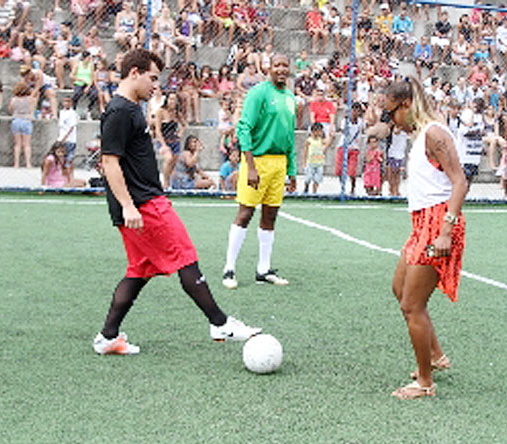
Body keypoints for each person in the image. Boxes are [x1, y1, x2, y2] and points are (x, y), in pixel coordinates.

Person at [93, 49, 261, 355]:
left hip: (141, 202)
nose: (156, 86)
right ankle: (220, 323)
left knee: (138, 271)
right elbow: (109, 163)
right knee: (184, 256)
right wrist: (129, 206)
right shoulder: (119, 111)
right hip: (143, 205)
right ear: (134, 73)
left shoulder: (130, 108)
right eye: (152, 78)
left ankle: (108, 337)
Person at [383, 77, 467, 400]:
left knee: (412, 304)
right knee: (399, 288)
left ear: (406, 106)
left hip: (438, 223)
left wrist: (446, 230)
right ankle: (435, 355)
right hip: (422, 223)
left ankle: (425, 383)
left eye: (391, 113)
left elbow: (460, 182)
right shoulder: (421, 134)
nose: (391, 121)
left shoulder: (434, 133)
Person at [221, 54, 296, 290]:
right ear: (268, 68)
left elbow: (289, 136)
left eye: (285, 65)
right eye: (277, 65)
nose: (282, 69)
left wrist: (291, 171)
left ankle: (263, 269)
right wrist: (250, 165)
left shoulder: (290, 97)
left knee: (270, 215)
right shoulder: (259, 93)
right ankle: (229, 269)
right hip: (258, 161)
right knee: (245, 213)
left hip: (279, 163)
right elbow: (244, 128)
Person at [301, 122, 334, 194]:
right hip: (310, 162)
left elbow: (327, 143)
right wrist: (304, 163)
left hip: (319, 163)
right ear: (314, 131)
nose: (321, 133)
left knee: (317, 179)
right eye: (319, 131)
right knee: (308, 177)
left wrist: (331, 137)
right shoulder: (309, 140)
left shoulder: (320, 140)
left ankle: (314, 191)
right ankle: (306, 187)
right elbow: (305, 152)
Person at [9, 81, 34, 168]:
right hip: (26, 120)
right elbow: (32, 110)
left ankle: (16, 163)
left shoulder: (14, 99)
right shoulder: (30, 99)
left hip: (16, 120)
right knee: (27, 144)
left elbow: (11, 109)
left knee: (17, 144)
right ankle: (28, 163)